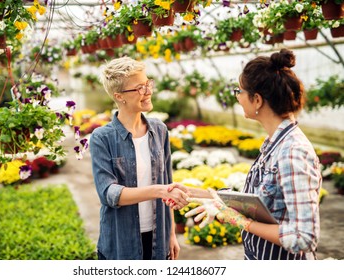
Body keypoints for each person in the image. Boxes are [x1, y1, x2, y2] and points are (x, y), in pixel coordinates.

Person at [170, 49, 322, 260]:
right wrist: (194, 193)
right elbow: (257, 202)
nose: (237, 97)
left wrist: (241, 222)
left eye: (239, 91)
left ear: (257, 99)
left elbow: (303, 237)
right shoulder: (274, 143)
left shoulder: (292, 153)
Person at [89, 56, 189, 260]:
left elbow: (167, 186)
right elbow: (109, 194)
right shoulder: (102, 138)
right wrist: (158, 191)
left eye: (148, 84)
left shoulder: (160, 130)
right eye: (140, 88)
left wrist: (171, 234)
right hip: (120, 243)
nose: (148, 91)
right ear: (119, 96)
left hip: (157, 239)